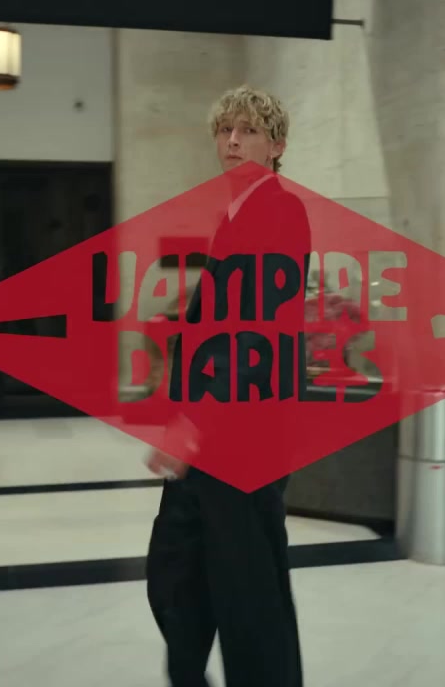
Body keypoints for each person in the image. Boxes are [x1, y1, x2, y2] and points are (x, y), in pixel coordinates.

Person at [144, 85, 311, 687]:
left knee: (249, 596)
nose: (233, 141)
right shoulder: (235, 213)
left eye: (248, 131)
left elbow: (257, 332)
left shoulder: (280, 211)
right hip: (215, 429)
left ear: (277, 146)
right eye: (225, 130)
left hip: (243, 433)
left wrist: (193, 424)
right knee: (177, 572)